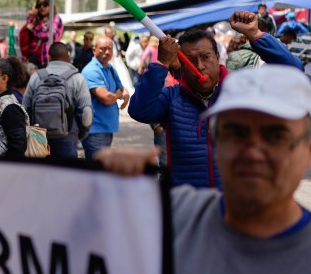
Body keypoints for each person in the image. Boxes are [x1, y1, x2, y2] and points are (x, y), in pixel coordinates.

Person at [96, 65, 311, 274]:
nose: (253, 152)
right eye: (236, 133)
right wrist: (97, 195)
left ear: (307, 151)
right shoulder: (173, 215)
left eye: (275, 136)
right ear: (216, 143)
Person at [129, 10, 303, 188]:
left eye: (206, 57)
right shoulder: (172, 97)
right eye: (190, 60)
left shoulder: (243, 89)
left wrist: (255, 34)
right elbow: (138, 111)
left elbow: (294, 72)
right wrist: (161, 64)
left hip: (236, 205)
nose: (200, 66)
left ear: (218, 57)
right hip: (189, 206)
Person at [24, 42, 92, 158]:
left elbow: (24, 109)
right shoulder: (77, 78)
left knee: (40, 175)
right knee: (65, 174)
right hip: (68, 137)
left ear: (49, 57)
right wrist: (81, 134)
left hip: (39, 138)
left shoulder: (36, 77)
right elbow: (86, 113)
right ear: (68, 57)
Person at [81, 36, 129, 159]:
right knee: (96, 173)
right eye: (102, 49)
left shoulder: (110, 68)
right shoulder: (91, 70)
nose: (107, 52)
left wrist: (123, 95)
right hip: (95, 131)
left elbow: (123, 89)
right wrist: (118, 95)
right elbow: (107, 98)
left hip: (106, 129)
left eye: (110, 49)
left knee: (100, 172)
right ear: (94, 50)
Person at [19, 0, 64, 67]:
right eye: (39, 5)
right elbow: (28, 28)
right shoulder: (37, 19)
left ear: (51, 6)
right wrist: (32, 16)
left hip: (48, 59)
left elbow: (50, 35)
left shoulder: (56, 18)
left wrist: (34, 30)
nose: (42, 7)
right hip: (34, 58)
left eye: (45, 4)